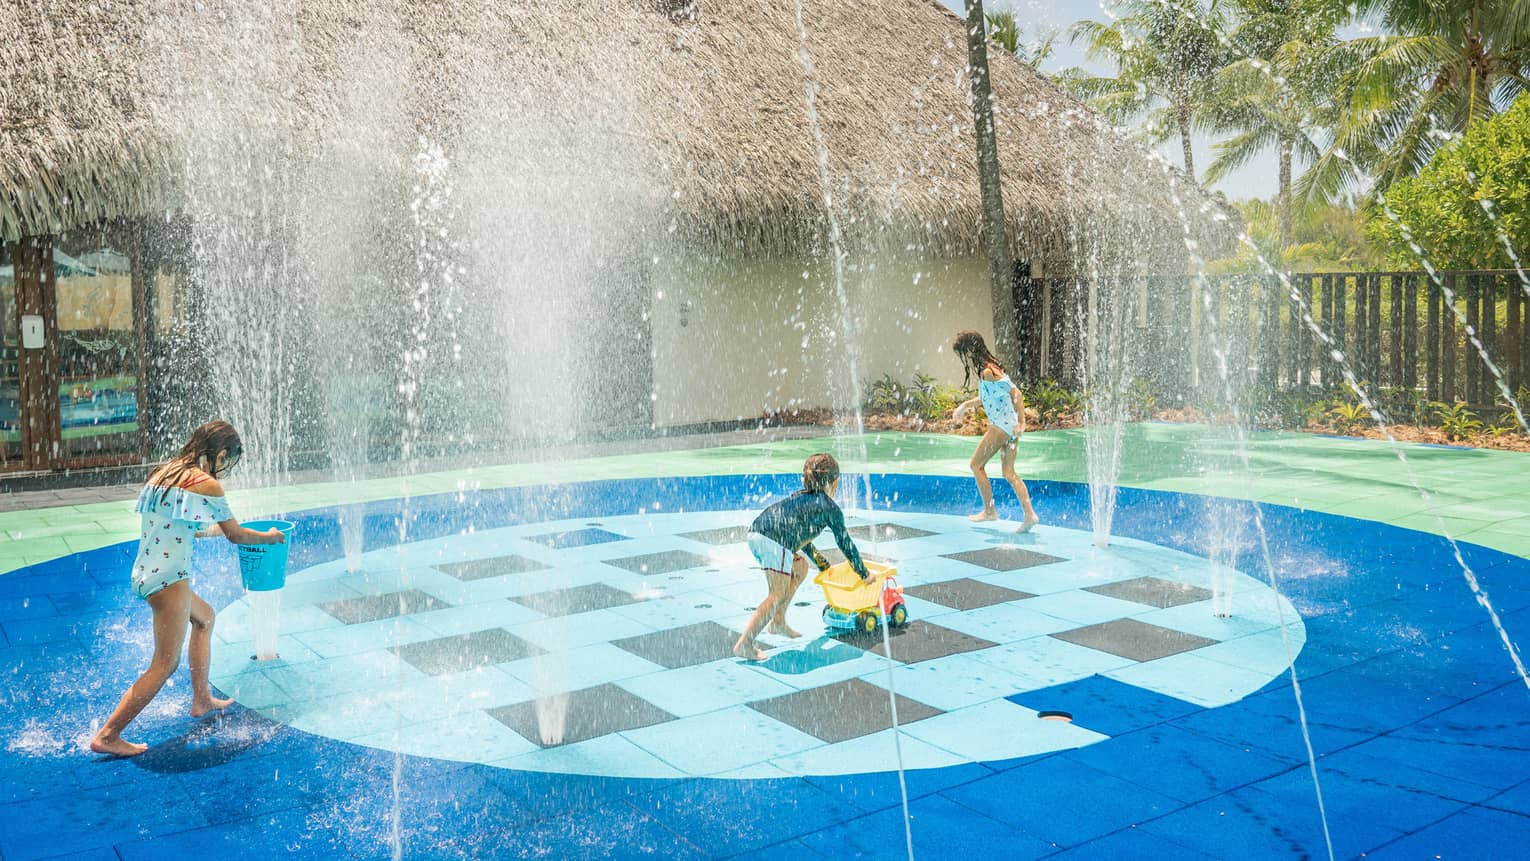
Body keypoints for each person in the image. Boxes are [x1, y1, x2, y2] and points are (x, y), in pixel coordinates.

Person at [89, 420, 285, 757]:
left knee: (205, 618)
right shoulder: (206, 483)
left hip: (147, 572)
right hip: (169, 579)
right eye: (227, 459)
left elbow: (181, 527)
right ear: (220, 453)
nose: (225, 466)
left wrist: (215, 530)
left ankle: (201, 698)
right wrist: (268, 537)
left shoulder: (164, 472)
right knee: (164, 664)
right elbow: (237, 535)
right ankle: (108, 734)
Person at [733, 453, 870, 661]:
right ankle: (744, 644)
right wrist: (864, 573)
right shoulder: (830, 508)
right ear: (835, 482)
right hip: (773, 541)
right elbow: (845, 543)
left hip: (758, 533)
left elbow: (801, 537)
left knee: (800, 568)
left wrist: (821, 564)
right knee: (776, 594)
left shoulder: (801, 497)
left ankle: (778, 622)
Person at [949, 330, 1041, 532]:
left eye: (963, 352)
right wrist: (964, 406)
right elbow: (986, 398)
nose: (964, 358)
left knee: (976, 465)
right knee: (1009, 472)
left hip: (1002, 426)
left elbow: (1016, 393)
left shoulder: (988, 372)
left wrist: (1022, 422)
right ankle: (1029, 515)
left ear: (970, 350)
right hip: (1009, 426)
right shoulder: (991, 368)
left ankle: (989, 511)